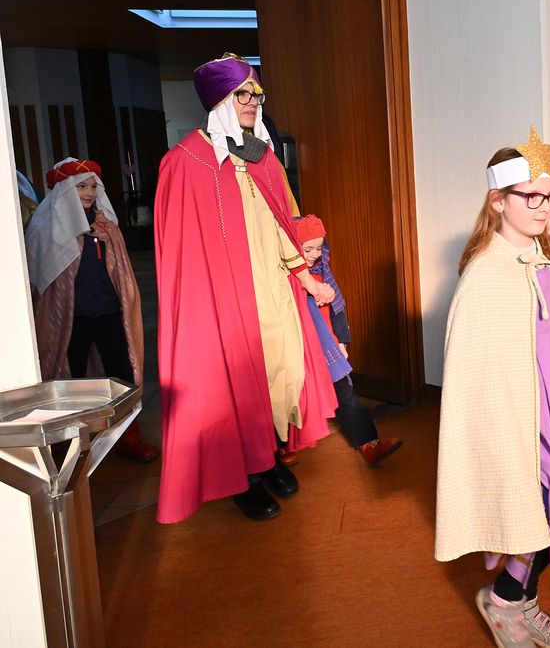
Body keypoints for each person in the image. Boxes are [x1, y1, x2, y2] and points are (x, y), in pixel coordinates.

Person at [435, 128, 550, 648]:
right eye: (530, 197)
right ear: (498, 201)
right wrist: (507, 428)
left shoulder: (542, 257)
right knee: (537, 509)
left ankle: (519, 598)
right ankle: (506, 602)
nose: (543, 207)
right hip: (520, 418)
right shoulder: (487, 274)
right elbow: (478, 371)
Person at [155, 53, 338, 523]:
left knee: (280, 373)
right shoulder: (183, 163)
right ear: (219, 101)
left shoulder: (261, 155)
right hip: (222, 300)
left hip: (272, 291)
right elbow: (181, 255)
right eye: (243, 94)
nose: (254, 101)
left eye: (257, 93)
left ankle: (268, 456)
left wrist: (305, 279)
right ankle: (246, 477)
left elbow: (281, 226)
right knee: (234, 385)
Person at [24, 158, 160, 462]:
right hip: (70, 317)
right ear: (65, 190)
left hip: (107, 311)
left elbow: (120, 269)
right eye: (81, 186)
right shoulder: (46, 228)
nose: (89, 192)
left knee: (121, 375)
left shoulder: (105, 224)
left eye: (93, 186)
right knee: (67, 379)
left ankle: (127, 437)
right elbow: (40, 278)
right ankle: (64, 441)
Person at [294, 214, 403, 467]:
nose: (314, 254)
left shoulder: (323, 273)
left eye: (319, 248)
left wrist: (342, 342)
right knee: (292, 397)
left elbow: (337, 310)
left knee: (345, 394)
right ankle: (278, 451)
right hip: (301, 349)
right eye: (307, 249)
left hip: (328, 347)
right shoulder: (289, 281)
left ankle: (369, 443)